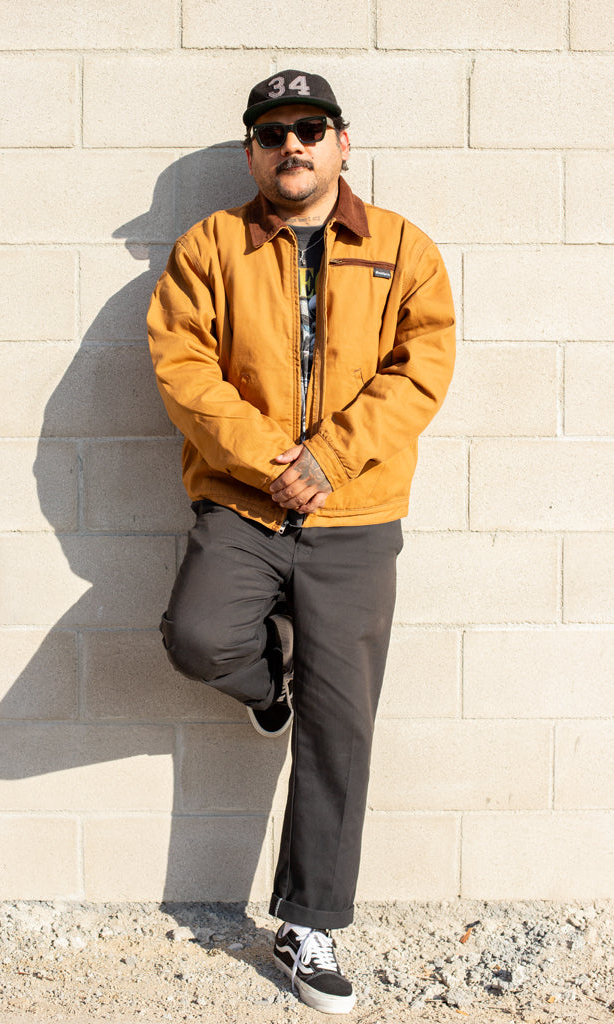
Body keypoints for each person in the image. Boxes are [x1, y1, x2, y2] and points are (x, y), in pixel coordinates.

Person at [146, 70, 456, 1014]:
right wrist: (269, 457)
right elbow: (182, 363)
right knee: (197, 638)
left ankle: (308, 924)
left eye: (310, 128)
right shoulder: (212, 244)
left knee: (342, 726)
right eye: (273, 132)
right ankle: (263, 689)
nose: (294, 145)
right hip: (244, 505)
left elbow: (423, 364)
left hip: (355, 518)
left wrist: (329, 458)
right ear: (251, 152)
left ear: (342, 142)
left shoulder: (402, 246)